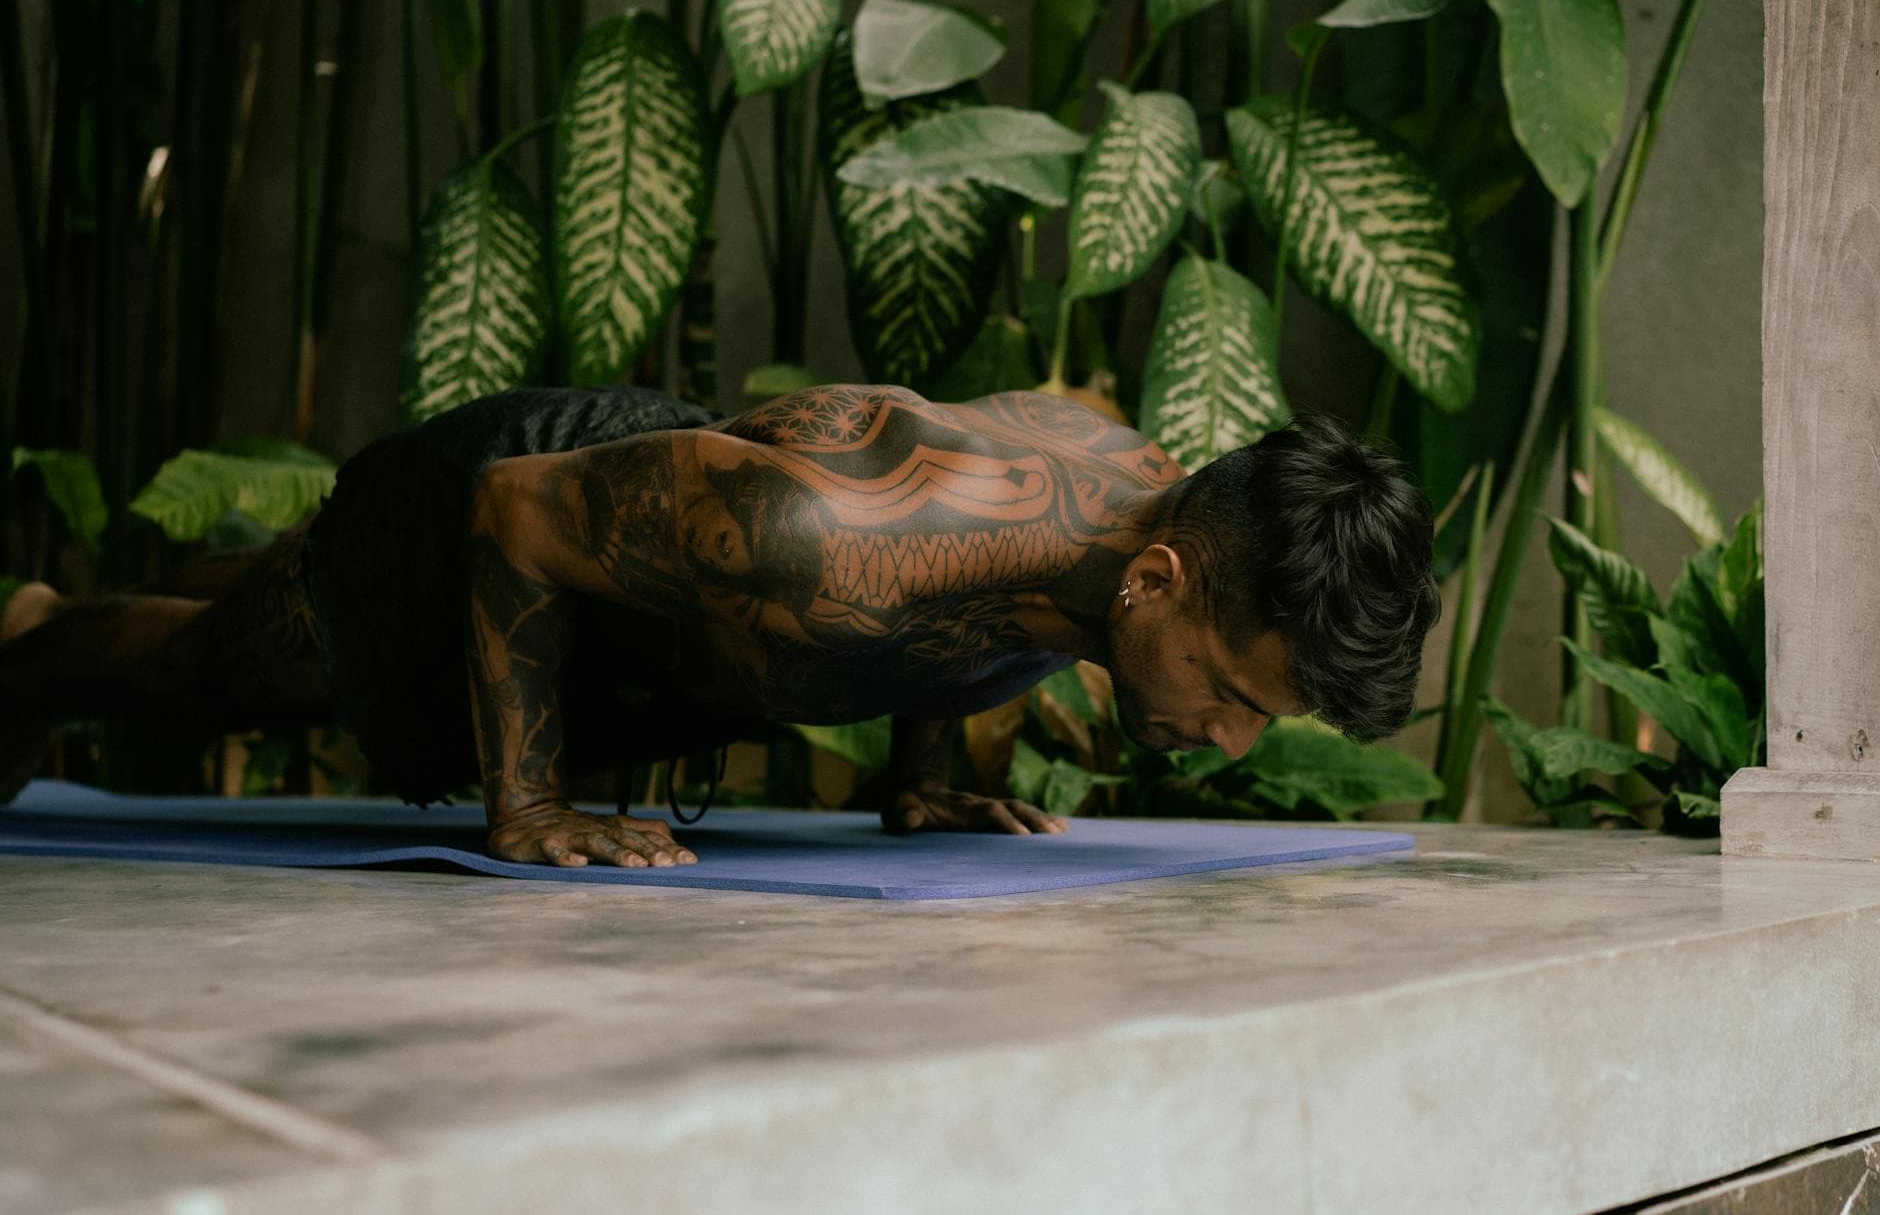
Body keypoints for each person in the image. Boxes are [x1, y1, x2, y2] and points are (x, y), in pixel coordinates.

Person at [0, 383, 1440, 868]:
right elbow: (515, 513)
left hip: (665, 543)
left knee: (271, 602)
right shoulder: (827, 541)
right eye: (1237, 695)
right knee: (223, 671)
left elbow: (1000, 599)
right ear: (1162, 583)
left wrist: (923, 771)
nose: (1231, 740)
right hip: (491, 519)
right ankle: (35, 633)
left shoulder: (1139, 520)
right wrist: (527, 802)